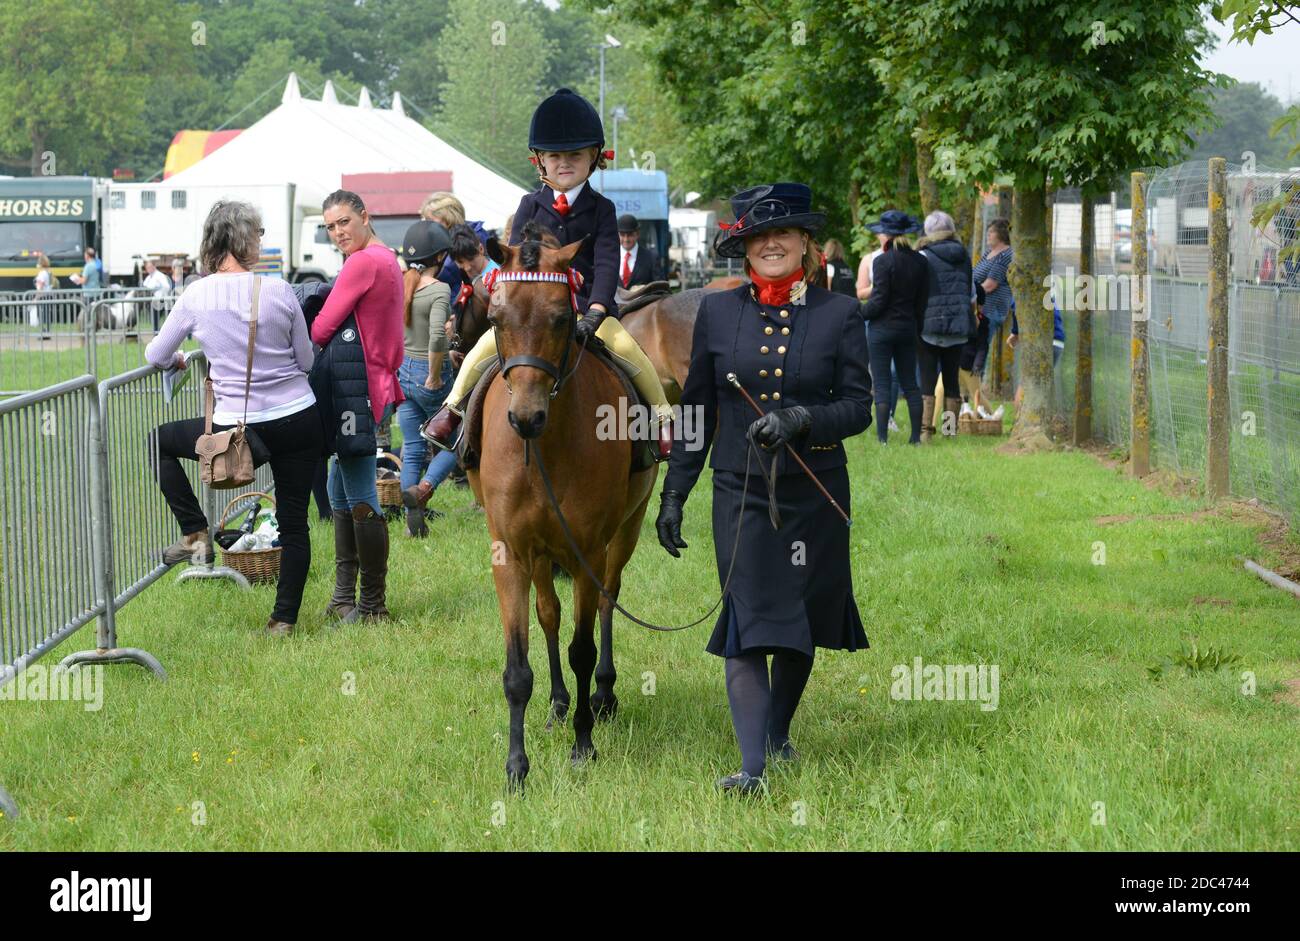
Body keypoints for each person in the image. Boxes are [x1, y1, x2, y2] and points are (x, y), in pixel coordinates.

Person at [655, 182, 872, 795]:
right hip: (741, 489)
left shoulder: (840, 314)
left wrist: (803, 419)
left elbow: (859, 407)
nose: (771, 244)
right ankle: (752, 769)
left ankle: (778, 733)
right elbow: (695, 409)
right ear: (744, 249)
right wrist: (675, 494)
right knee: (749, 618)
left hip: (815, 490)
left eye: (783, 233)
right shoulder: (719, 313)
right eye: (758, 237)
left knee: (801, 617)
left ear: (805, 242)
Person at [423, 87, 675, 458]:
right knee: (485, 347)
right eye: (555, 156)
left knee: (626, 347)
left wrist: (597, 312)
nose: (564, 163)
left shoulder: (602, 209)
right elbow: (510, 261)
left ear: (593, 157)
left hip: (588, 310)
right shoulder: (530, 205)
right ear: (539, 161)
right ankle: (453, 410)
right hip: (533, 313)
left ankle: (662, 418)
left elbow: (606, 265)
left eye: (574, 155)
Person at [145, 200, 322, 637]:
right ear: (241, 240)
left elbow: (156, 354)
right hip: (299, 416)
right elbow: (305, 360)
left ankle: (194, 531)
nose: (261, 242)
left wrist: (188, 358)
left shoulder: (195, 295)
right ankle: (283, 620)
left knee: (158, 442)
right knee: (295, 523)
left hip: (239, 427)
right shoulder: (278, 290)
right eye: (258, 235)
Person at [311, 189, 405, 623]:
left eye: (344, 222)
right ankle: (344, 596)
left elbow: (324, 326)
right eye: (330, 226)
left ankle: (372, 605)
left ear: (364, 216)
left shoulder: (364, 262)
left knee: (360, 491)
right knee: (337, 489)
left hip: (357, 389)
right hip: (375, 385)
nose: (337, 233)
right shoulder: (387, 258)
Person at [394, 219, 457, 538]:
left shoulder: (402, 284)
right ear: (440, 257)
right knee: (457, 441)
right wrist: (434, 375)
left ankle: (411, 523)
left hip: (402, 373)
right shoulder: (440, 289)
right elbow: (436, 337)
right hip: (427, 373)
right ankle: (424, 489)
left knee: (413, 446)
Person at [862, 210, 930, 445]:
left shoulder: (882, 261)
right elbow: (922, 301)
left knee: (881, 385)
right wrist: (916, 327)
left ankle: (882, 439)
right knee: (910, 383)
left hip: (881, 329)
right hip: (908, 328)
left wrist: (859, 311)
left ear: (886, 235)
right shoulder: (921, 261)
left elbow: (878, 301)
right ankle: (915, 438)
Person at [915, 210, 976, 442]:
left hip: (929, 325)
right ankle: (950, 431)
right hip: (958, 326)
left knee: (928, 380)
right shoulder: (964, 256)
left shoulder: (923, 256)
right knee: (952, 381)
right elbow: (970, 293)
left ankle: (925, 432)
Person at [963, 217, 1014, 414]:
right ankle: (968, 401)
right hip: (978, 308)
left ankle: (977, 404)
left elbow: (990, 285)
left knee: (978, 354)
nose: (987, 235)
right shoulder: (988, 253)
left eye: (991, 232)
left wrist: (970, 297)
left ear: (1001, 234)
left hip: (990, 311)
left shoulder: (1005, 256)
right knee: (970, 352)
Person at [617, 214, 660, 288]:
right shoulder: (609, 257)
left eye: (630, 235)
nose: (626, 239)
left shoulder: (651, 258)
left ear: (637, 234)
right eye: (622, 235)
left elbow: (660, 288)